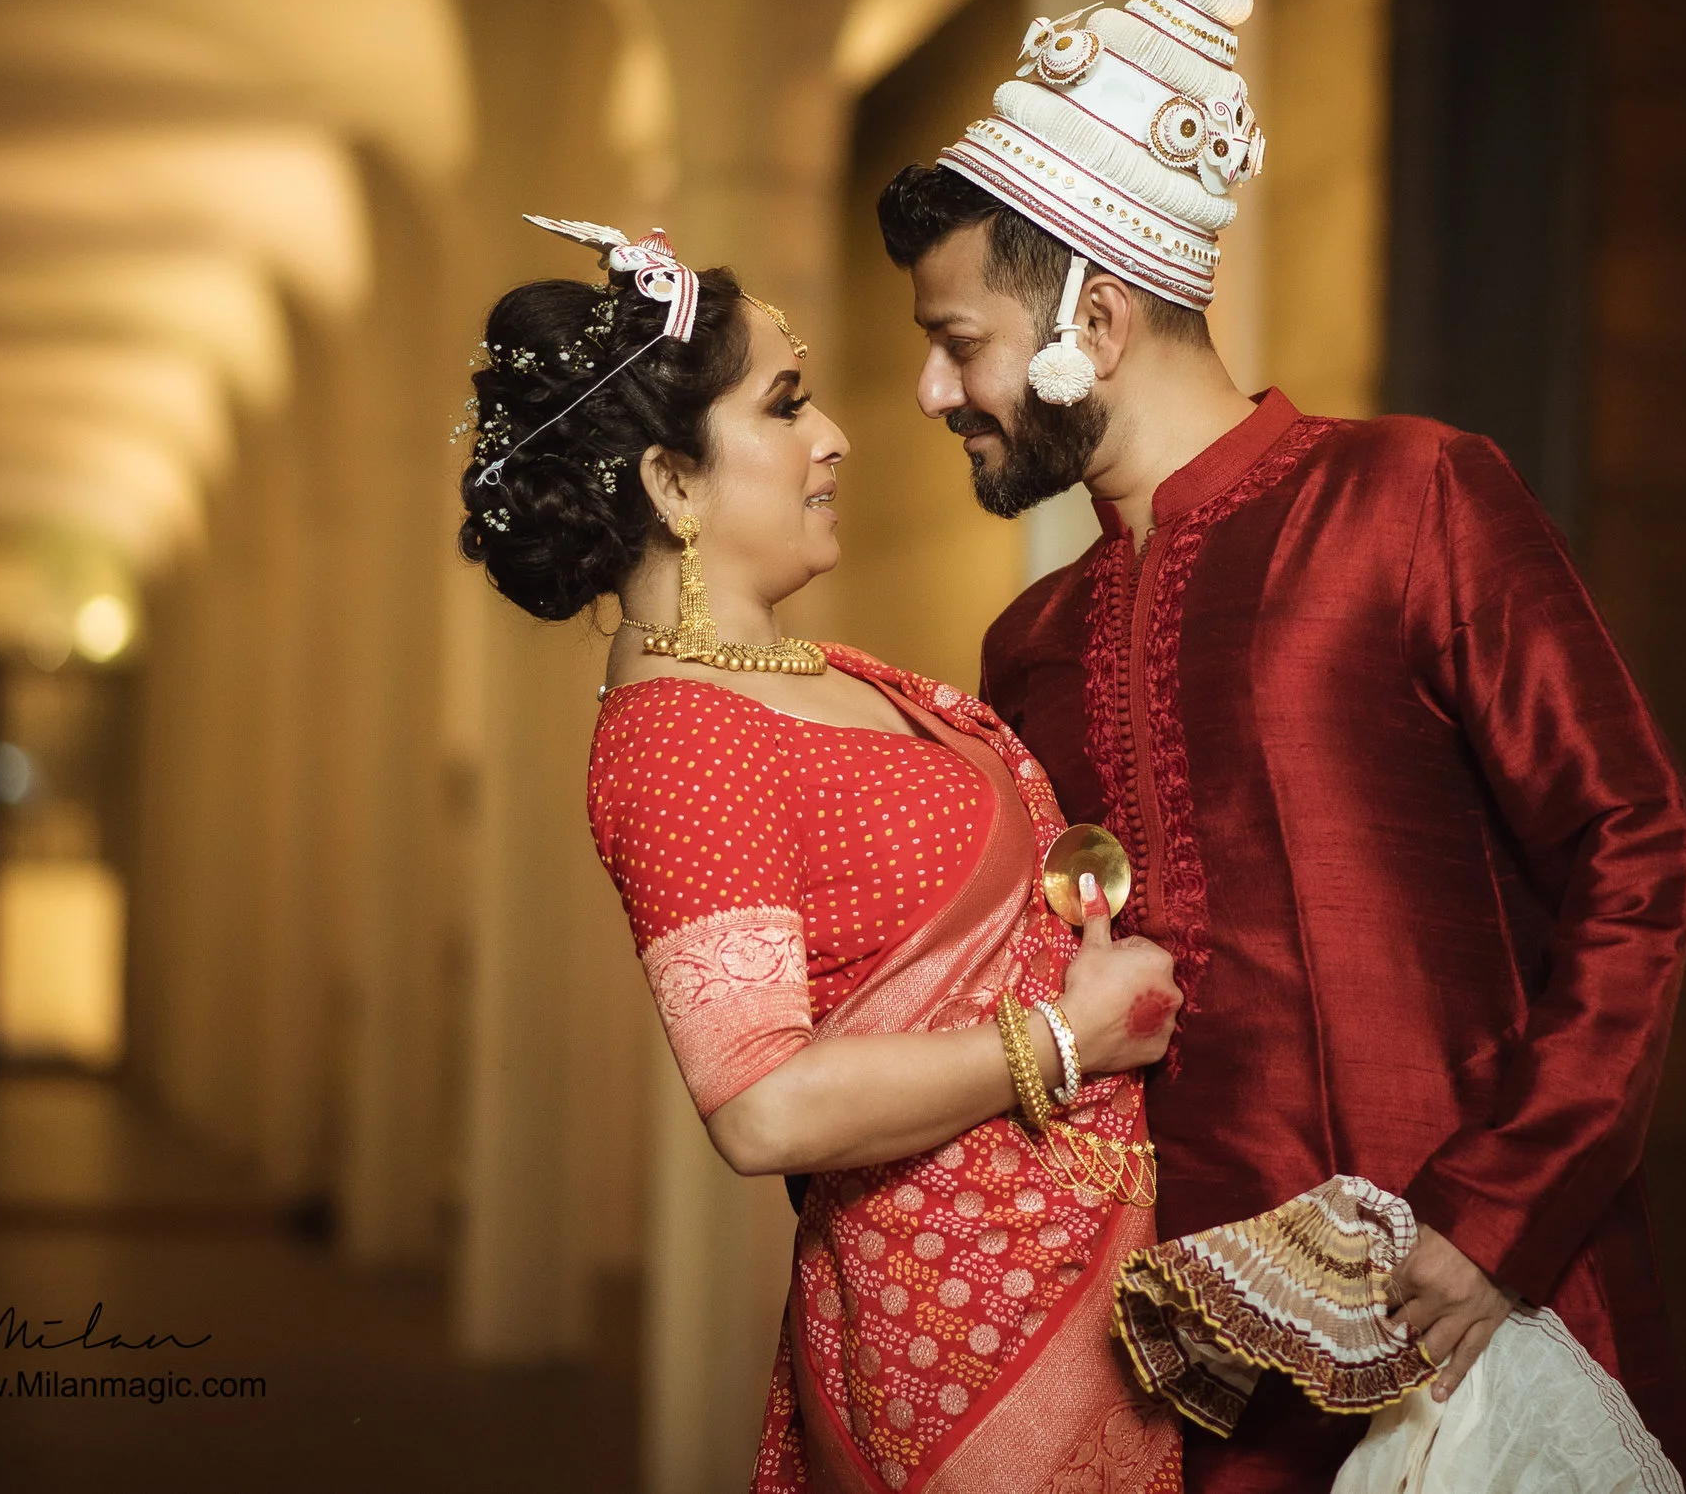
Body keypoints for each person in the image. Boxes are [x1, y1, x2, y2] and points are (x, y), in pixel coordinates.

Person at [873, 0, 1686, 1494]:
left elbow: (1638, 849)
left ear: (1088, 318)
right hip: (1178, 1366)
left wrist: (1499, 1220)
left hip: (1469, 1325)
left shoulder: (1409, 494)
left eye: (956, 341)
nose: (936, 392)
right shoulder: (1026, 651)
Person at [458, 219, 1189, 1493]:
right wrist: (1070, 1044)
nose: (836, 434)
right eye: (784, 404)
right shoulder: (675, 741)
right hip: (962, 1335)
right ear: (672, 486)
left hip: (1075, 1270)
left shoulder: (802, 671)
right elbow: (761, 1107)